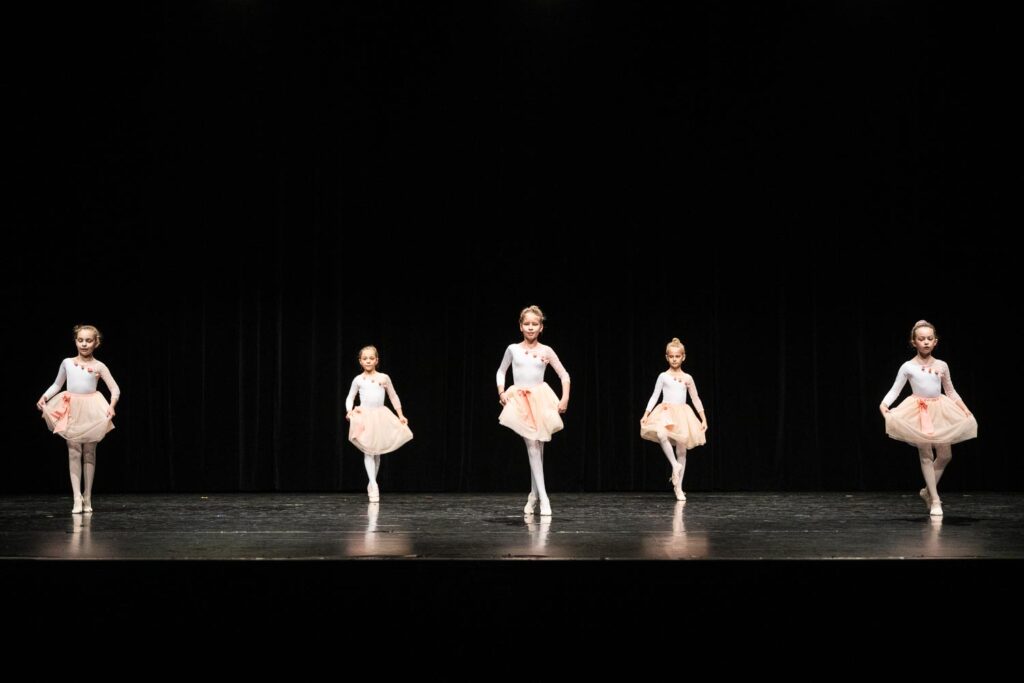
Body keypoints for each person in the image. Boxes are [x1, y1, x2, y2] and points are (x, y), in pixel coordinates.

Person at [880, 320, 977, 517]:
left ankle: (926, 490)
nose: (925, 342)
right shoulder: (908, 366)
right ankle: (935, 500)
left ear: (935, 342)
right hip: (918, 411)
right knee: (926, 455)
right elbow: (895, 390)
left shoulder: (942, 365)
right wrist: (883, 405)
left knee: (945, 455)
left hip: (940, 410)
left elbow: (951, 392)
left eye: (929, 339)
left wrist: (966, 410)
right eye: (921, 339)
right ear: (914, 342)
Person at [36, 325, 120, 514]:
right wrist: (45, 397)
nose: (84, 343)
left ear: (95, 343)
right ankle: (76, 498)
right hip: (71, 408)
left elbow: (115, 389)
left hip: (91, 409)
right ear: (75, 341)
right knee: (73, 451)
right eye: (80, 340)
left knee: (89, 452)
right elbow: (57, 384)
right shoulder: (67, 362)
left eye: (88, 340)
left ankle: (88, 495)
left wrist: (111, 405)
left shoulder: (99, 366)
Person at [497, 305, 570, 517]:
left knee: (539, 446)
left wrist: (564, 398)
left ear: (541, 328)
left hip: (540, 399)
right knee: (532, 445)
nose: (530, 328)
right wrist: (501, 391)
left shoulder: (546, 351)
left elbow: (564, 375)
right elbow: (501, 371)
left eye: (534, 324)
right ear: (521, 326)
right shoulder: (513, 349)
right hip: (520, 400)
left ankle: (533, 495)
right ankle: (544, 498)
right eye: (527, 324)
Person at [640, 337, 707, 501]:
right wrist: (646, 414)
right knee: (662, 434)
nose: (674, 359)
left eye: (677, 356)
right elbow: (654, 396)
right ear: (667, 357)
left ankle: (679, 487)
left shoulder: (688, 378)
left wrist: (703, 418)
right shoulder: (663, 376)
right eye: (671, 356)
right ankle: (674, 465)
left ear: (683, 357)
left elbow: (695, 398)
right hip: (665, 411)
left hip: (683, 414)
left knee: (682, 450)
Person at [345, 346, 412, 502]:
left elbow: (393, 396)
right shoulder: (358, 379)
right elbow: (350, 397)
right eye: (365, 358)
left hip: (380, 415)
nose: (368, 360)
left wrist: (400, 415)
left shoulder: (384, 377)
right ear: (360, 361)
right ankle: (374, 485)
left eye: (371, 358)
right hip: (365, 416)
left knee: (377, 452)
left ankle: (371, 482)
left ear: (376, 360)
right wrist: (349, 411)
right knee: (368, 450)